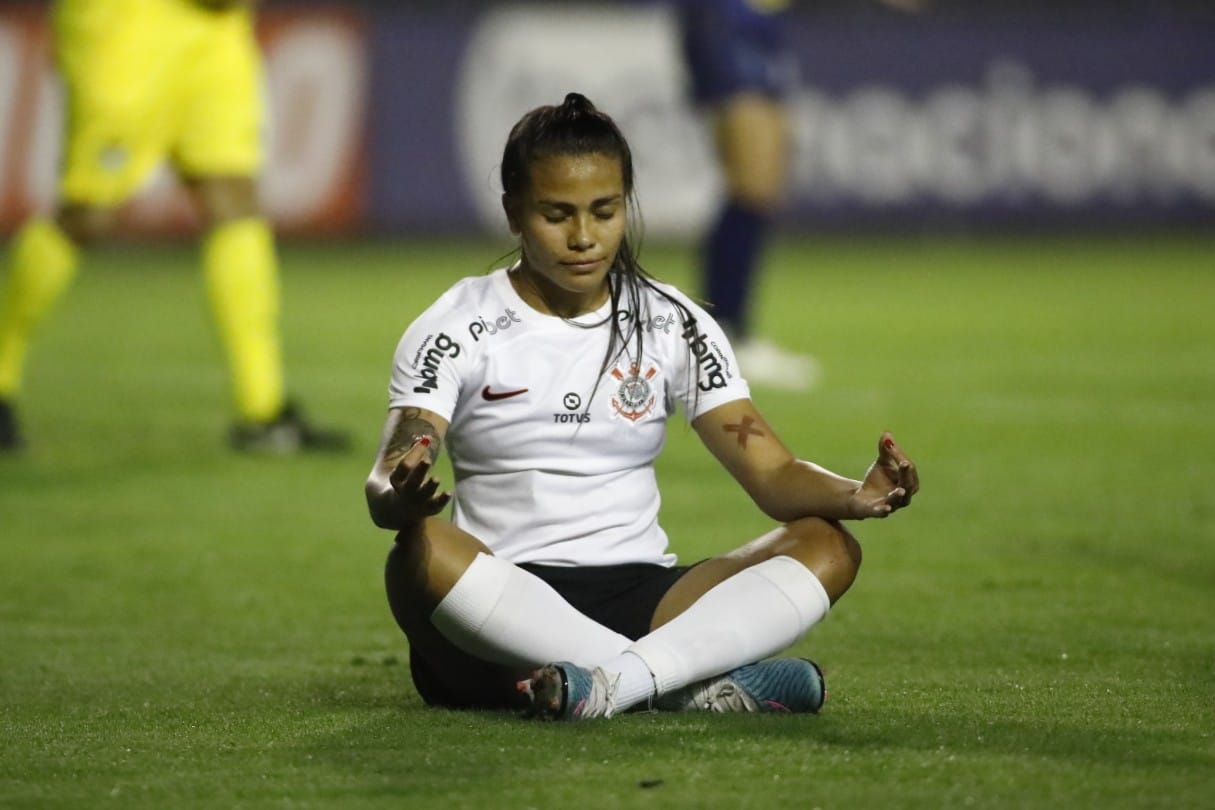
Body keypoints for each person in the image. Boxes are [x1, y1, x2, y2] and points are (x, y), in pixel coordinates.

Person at [365, 93, 918, 719]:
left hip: (648, 597)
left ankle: (611, 686)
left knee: (828, 546)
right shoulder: (457, 326)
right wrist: (397, 496)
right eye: (557, 214)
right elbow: (389, 472)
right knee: (421, 551)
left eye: (604, 211)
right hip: (501, 598)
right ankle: (678, 683)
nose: (583, 237)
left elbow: (771, 474)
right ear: (513, 211)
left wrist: (854, 495)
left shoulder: (671, 321)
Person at [0, 0, 347, 454]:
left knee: (233, 198)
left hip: (215, 27)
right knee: (89, 211)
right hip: (127, 24)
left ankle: (261, 409)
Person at [675, 0, 819, 391]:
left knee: (763, 187)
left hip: (761, 22)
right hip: (726, 19)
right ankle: (721, 334)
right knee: (751, 184)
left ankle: (726, 332)